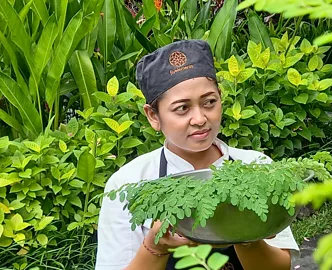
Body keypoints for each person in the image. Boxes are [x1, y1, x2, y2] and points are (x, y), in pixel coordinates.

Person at [95, 40, 299, 270]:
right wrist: (155, 248)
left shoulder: (258, 166)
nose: (200, 118)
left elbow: (280, 266)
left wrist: (248, 236)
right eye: (182, 108)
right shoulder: (128, 182)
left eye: (209, 102)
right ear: (153, 115)